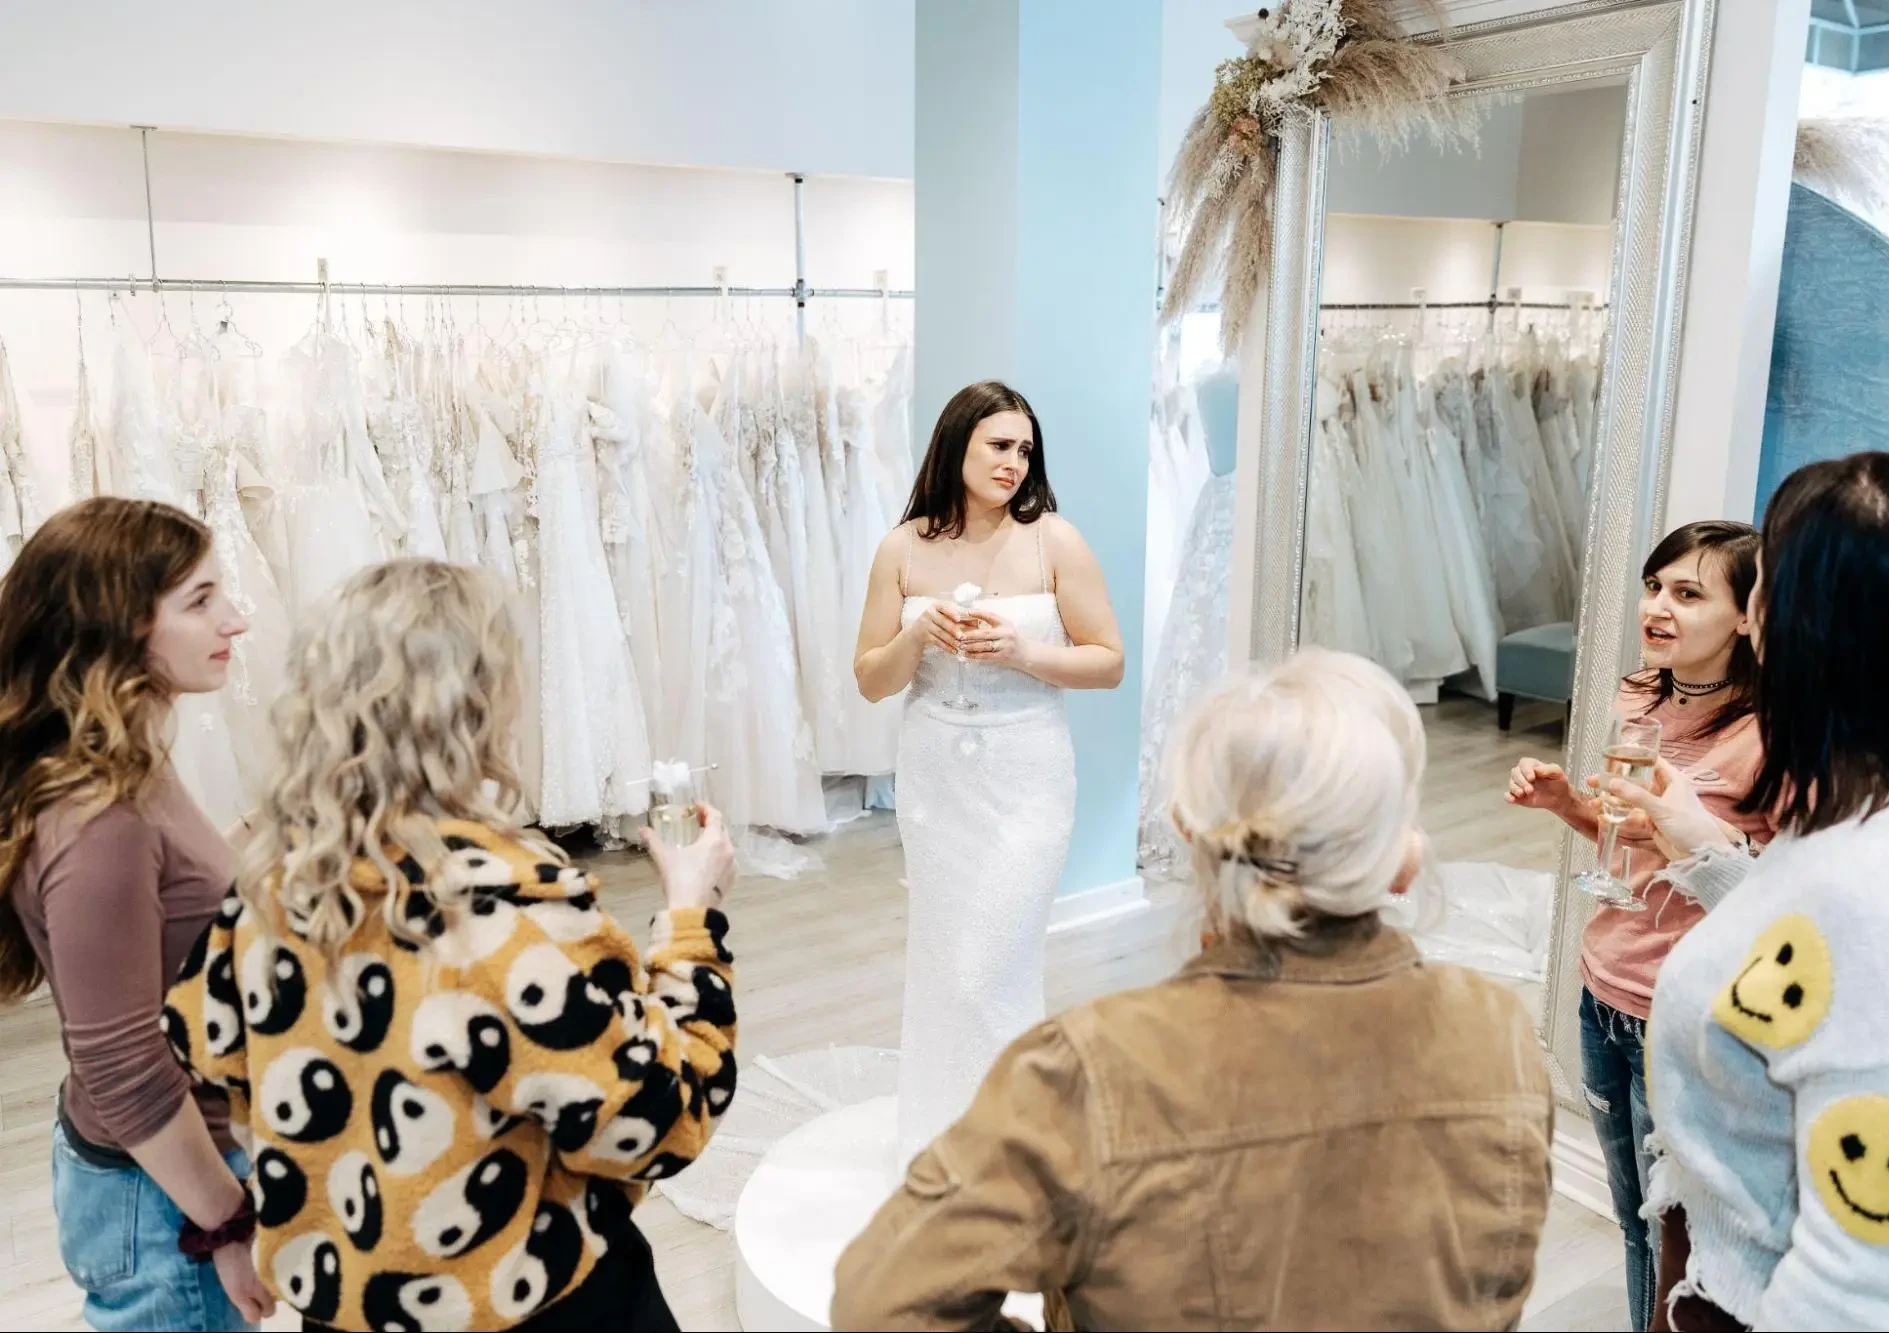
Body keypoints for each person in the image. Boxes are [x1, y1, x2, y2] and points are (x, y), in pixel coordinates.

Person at [833, 648, 1551, 1330]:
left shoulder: (1092, 1068)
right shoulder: (1496, 1035)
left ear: (1187, 827)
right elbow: (1492, 1286)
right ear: (1401, 857)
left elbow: (884, 1305)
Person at [161, 559, 739, 1332]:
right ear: (475, 707)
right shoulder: (502, 918)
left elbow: (199, 1041)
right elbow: (660, 1120)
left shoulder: (267, 894)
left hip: (346, 1305)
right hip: (527, 1304)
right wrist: (691, 918)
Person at [1607, 454, 1889, 1331]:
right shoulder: (1879, 808)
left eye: (1762, 587)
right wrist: (1712, 858)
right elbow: (1809, 969)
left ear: (1797, 625)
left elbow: (1861, 1293)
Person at [0, 498, 271, 1331]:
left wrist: (271, 821)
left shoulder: (125, 763)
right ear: (119, 627)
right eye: (200, 601)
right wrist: (224, 1222)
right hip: (166, 1202)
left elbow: (167, 912)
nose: (236, 618)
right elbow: (122, 1064)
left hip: (166, 1180)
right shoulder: (103, 815)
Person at [1503, 520, 1768, 1331]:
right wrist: (1565, 804)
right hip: (1602, 988)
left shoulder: (1770, 736)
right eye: (1653, 586)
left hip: (1681, 1013)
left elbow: (1774, 894)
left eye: (1687, 593)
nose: (1656, 607)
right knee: (1630, 1215)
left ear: (1747, 616)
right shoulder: (1639, 694)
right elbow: (1627, 841)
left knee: (1675, 1235)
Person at [852, 380, 1123, 1168]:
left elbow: (1108, 661)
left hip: (1026, 776)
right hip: (934, 778)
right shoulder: (901, 548)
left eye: (1025, 449)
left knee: (990, 968)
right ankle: (937, 1135)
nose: (1014, 463)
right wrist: (917, 638)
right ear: (956, 446)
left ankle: (1017, 1144)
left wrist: (1023, 652)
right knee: (943, 961)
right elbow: (870, 679)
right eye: (999, 445)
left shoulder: (1054, 541)